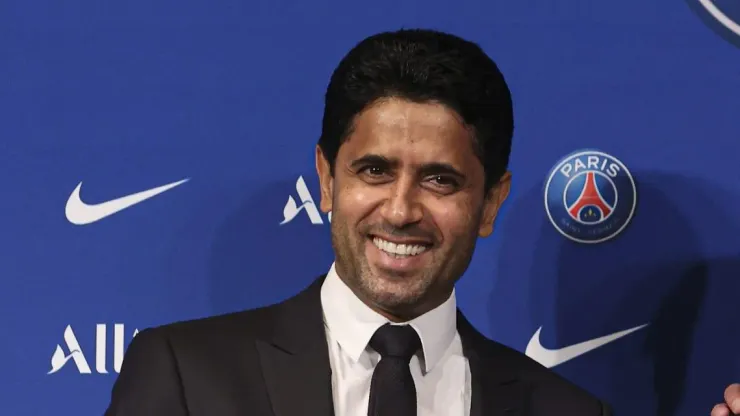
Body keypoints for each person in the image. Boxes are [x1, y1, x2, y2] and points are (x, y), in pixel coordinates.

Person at [103, 28, 611, 416]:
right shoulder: (186, 376)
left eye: (440, 180)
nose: (399, 210)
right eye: (374, 171)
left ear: (491, 203)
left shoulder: (565, 410)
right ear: (326, 180)